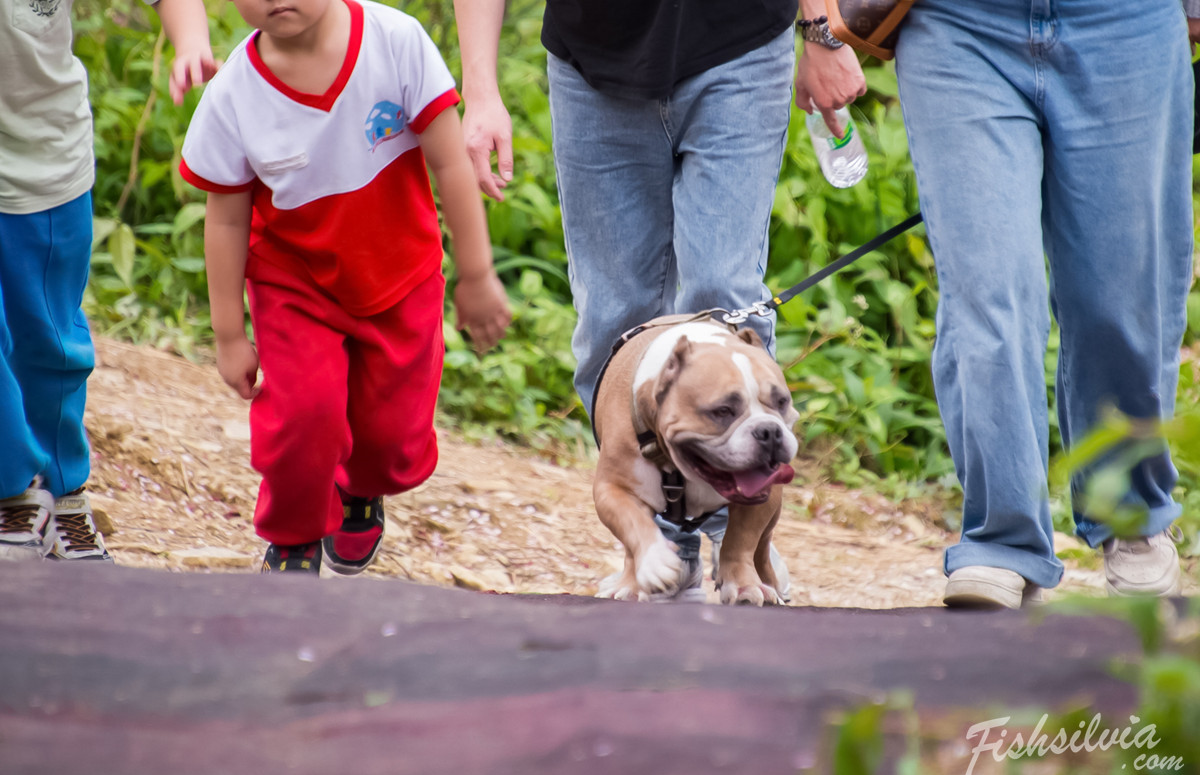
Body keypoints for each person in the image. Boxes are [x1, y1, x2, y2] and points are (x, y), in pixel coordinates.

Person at [453, 0, 857, 601]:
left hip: (740, 45)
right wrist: (481, 89)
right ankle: (663, 546)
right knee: (611, 327)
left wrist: (821, 32)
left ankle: (740, 549)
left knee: (725, 301)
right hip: (593, 61)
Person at [880, 0, 1196, 608]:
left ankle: (1132, 515)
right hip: (958, 26)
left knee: (1122, 299)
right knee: (988, 291)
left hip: (1125, 24)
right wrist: (821, 28)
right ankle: (1001, 539)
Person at [180, 0, 511, 575]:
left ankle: (361, 491)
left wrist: (476, 273)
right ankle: (294, 540)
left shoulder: (396, 42)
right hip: (296, 284)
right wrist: (229, 332)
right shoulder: (233, 94)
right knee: (302, 419)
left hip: (400, 273)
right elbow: (227, 220)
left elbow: (450, 164)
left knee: (391, 440)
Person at [0, 0, 214, 564]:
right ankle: (12, 491)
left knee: (47, 343)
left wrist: (190, 42)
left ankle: (62, 492)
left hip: (42, 167)